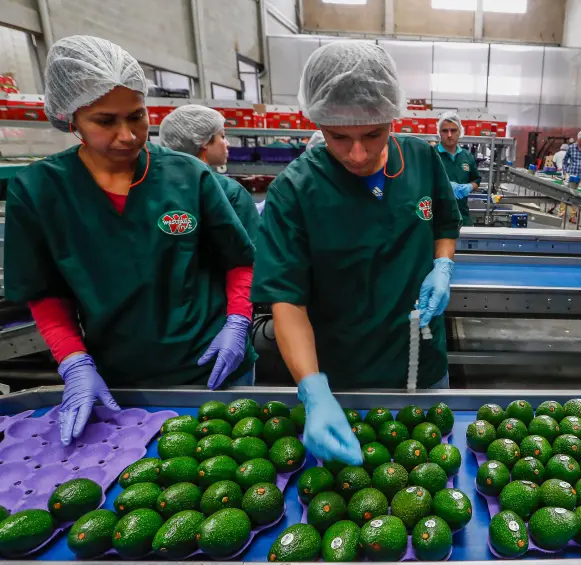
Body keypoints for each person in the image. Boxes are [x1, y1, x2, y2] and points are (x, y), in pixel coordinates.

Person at [5, 36, 257, 445]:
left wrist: (238, 322)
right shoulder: (38, 191)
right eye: (105, 121)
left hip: (217, 367)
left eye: (136, 116)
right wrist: (73, 361)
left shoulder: (188, 176)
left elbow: (238, 260)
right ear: (71, 119)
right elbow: (45, 293)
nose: (127, 135)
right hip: (121, 377)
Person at [252, 41, 462, 464]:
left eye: (372, 133)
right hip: (342, 377)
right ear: (317, 123)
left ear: (392, 117)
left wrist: (442, 264)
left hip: (421, 362)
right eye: (338, 137)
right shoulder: (295, 190)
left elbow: (444, 222)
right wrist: (313, 390)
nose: (359, 153)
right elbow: (286, 300)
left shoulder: (420, 158)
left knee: (427, 483)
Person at [159, 104, 263, 241]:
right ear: (203, 141)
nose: (227, 143)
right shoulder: (229, 191)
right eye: (223, 136)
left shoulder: (157, 187)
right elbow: (251, 249)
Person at [436, 111, 481, 226]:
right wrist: (444, 187)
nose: (449, 135)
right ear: (439, 133)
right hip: (437, 218)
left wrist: (469, 186)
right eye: (445, 131)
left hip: (462, 217)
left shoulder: (467, 156)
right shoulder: (432, 154)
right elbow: (421, 182)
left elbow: (476, 180)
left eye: (453, 130)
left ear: (460, 132)